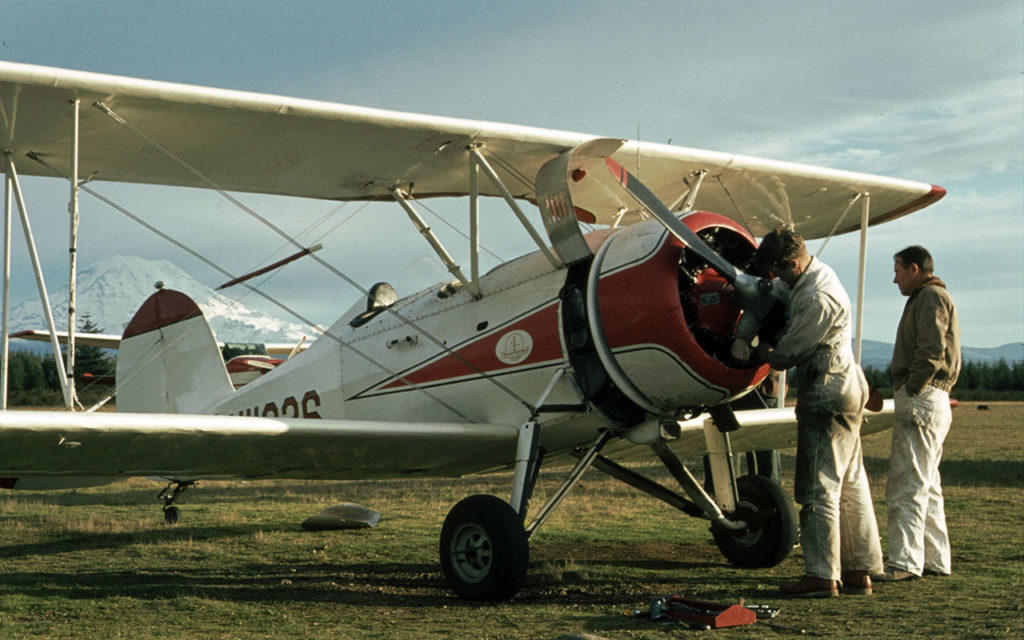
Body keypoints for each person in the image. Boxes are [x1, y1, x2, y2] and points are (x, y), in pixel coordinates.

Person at [752, 227, 883, 597]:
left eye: (779, 270)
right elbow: (784, 291)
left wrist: (762, 352)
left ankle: (822, 574)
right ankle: (860, 570)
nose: (775, 278)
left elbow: (788, 353)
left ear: (793, 263)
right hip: (848, 385)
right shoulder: (817, 275)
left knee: (817, 486)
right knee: (851, 484)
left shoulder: (816, 298)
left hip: (827, 392)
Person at [878, 245, 960, 582]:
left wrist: (912, 388)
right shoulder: (930, 298)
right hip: (932, 397)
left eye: (897, 270)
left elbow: (931, 349)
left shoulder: (930, 298)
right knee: (928, 486)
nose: (894, 278)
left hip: (922, 397)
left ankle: (904, 563)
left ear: (915, 268)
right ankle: (935, 560)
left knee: (907, 484)